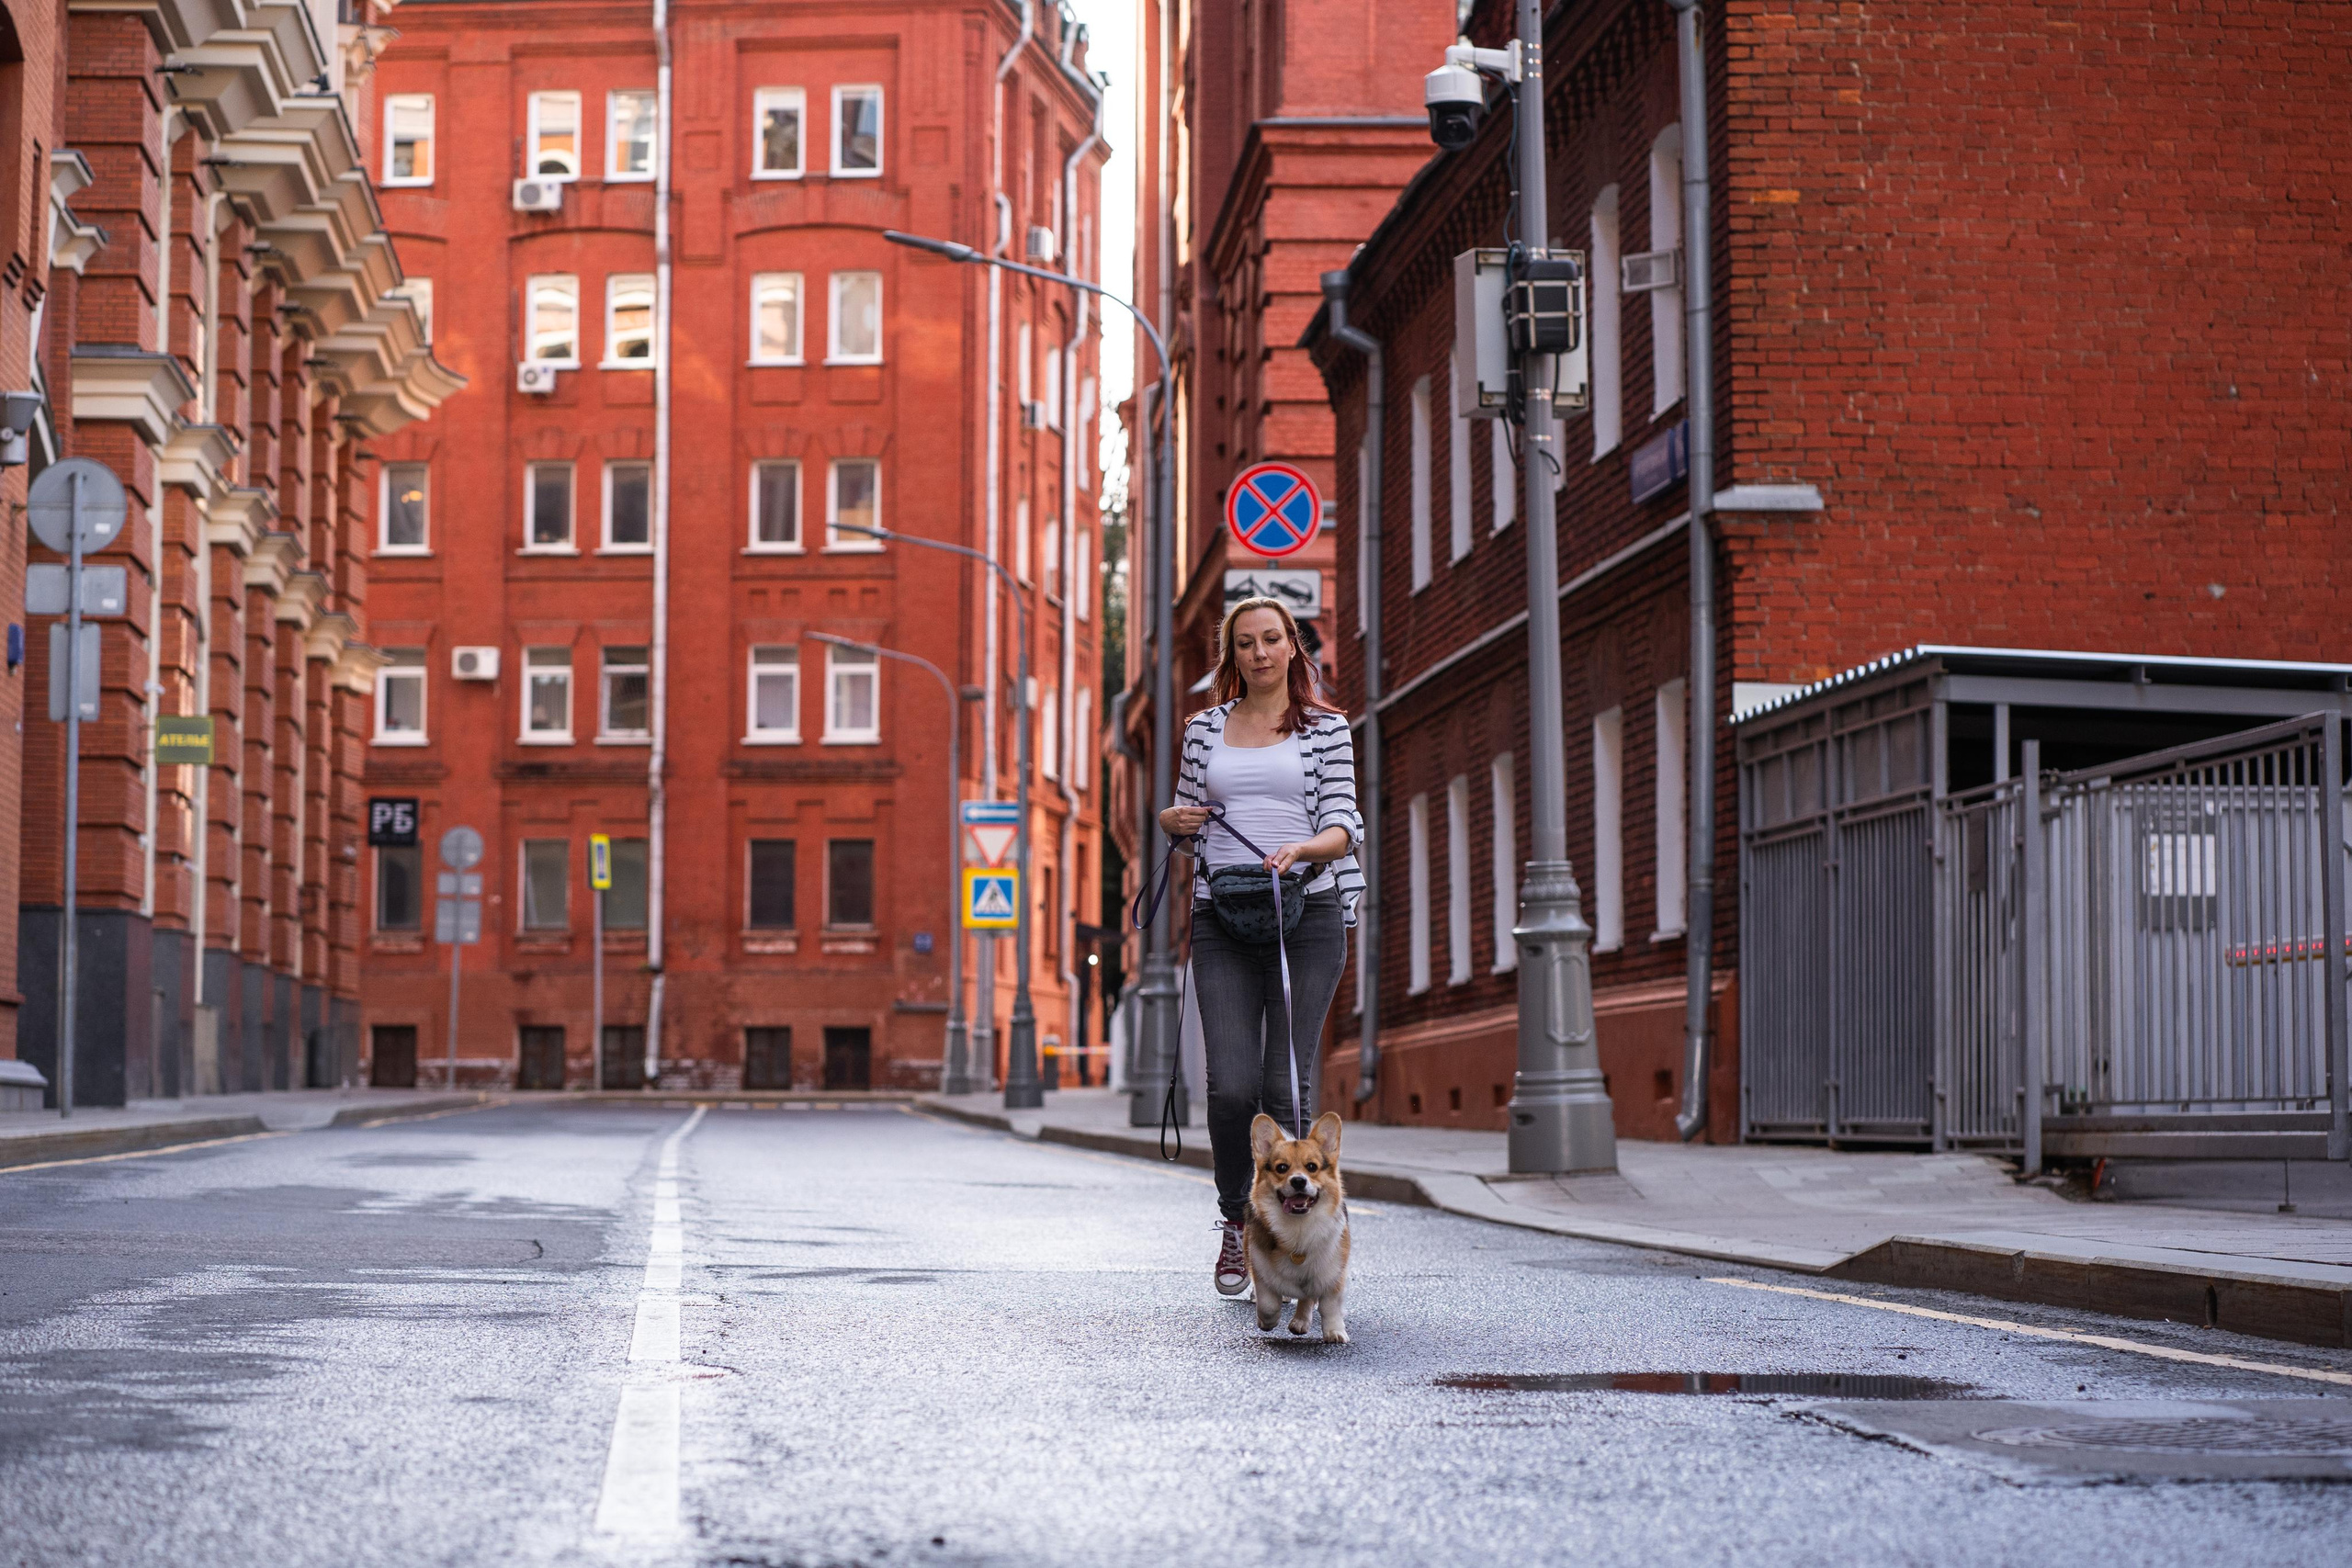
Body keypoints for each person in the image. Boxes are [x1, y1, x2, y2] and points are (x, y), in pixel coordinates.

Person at [1159, 596, 1363, 1297]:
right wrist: (1171, 819)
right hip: (1223, 912)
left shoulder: (1328, 728)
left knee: (1285, 1081)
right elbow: (1188, 820)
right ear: (1232, 654)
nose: (1259, 652)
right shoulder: (1203, 729)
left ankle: (1302, 1237)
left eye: (1272, 639)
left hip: (1307, 911)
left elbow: (1344, 823)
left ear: (1293, 645)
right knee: (1231, 1084)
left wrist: (1303, 847)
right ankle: (1236, 1221)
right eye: (1245, 643)